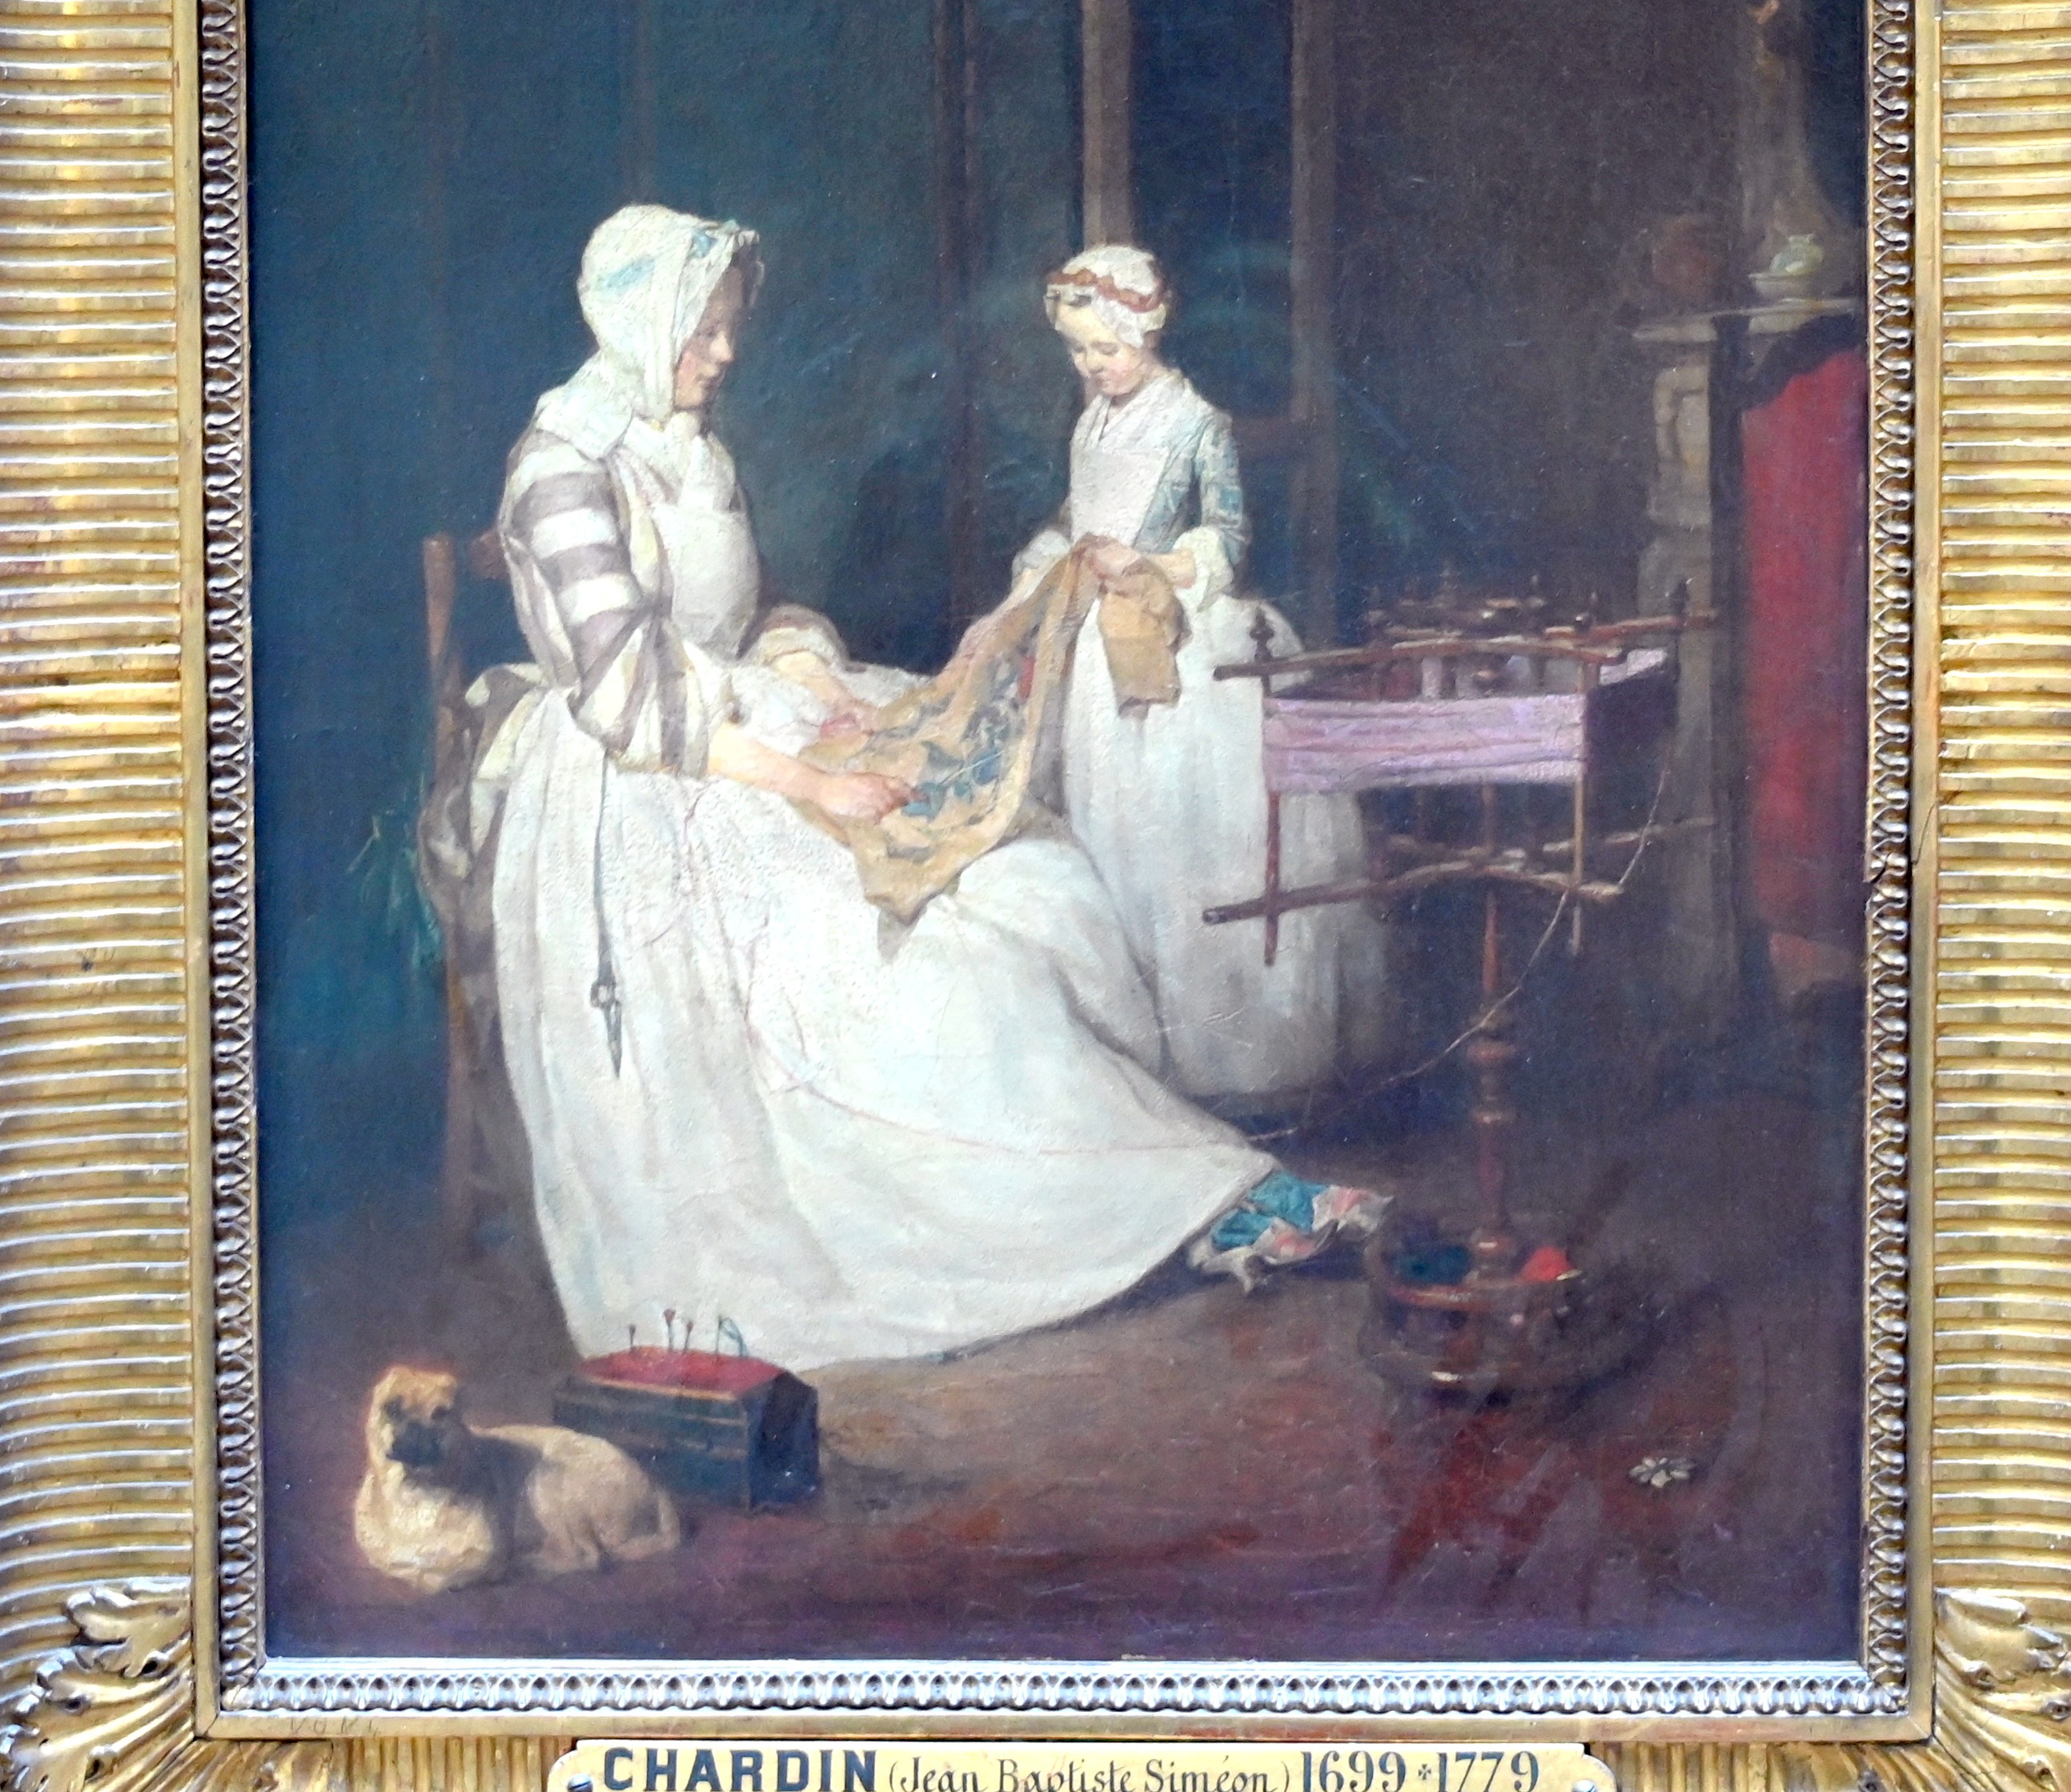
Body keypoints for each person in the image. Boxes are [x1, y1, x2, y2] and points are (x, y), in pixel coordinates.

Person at [468, 205, 1367, 1370]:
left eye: (730, 328)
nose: (725, 354)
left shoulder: (692, 445)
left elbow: (744, 616)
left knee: (1024, 880)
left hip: (755, 727)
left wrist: (810, 677)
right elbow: (630, 690)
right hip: (646, 784)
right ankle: (1165, 1201)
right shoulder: (560, 468)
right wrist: (810, 778)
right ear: (640, 323)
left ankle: (1179, 1186)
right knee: (916, 975)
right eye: (705, 331)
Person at [1009, 244, 1390, 1108]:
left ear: (1145, 330)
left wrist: (1150, 565)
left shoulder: (1194, 422)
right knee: (1106, 834)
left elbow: (1225, 535)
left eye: (1106, 348)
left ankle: (1225, 1063)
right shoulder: (1091, 423)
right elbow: (1077, 512)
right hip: (1094, 647)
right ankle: (1134, 1059)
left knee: (1180, 847)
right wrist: (1047, 566)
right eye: (1078, 350)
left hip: (1176, 646)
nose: (1093, 365)